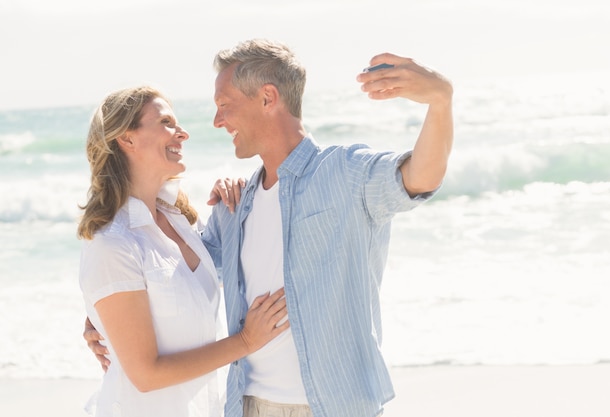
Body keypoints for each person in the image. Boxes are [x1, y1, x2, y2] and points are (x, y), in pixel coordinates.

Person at [86, 38, 453, 417]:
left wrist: (440, 100)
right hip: (246, 407)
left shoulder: (345, 173)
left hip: (332, 407)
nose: (217, 121)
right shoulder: (232, 209)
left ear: (267, 97)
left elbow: (421, 177)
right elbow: (175, 278)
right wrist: (102, 316)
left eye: (224, 106)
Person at [77, 85, 289, 417]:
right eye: (166, 122)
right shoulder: (112, 243)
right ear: (127, 139)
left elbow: (217, 270)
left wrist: (230, 197)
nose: (183, 133)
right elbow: (146, 375)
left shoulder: (177, 220)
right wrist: (247, 342)